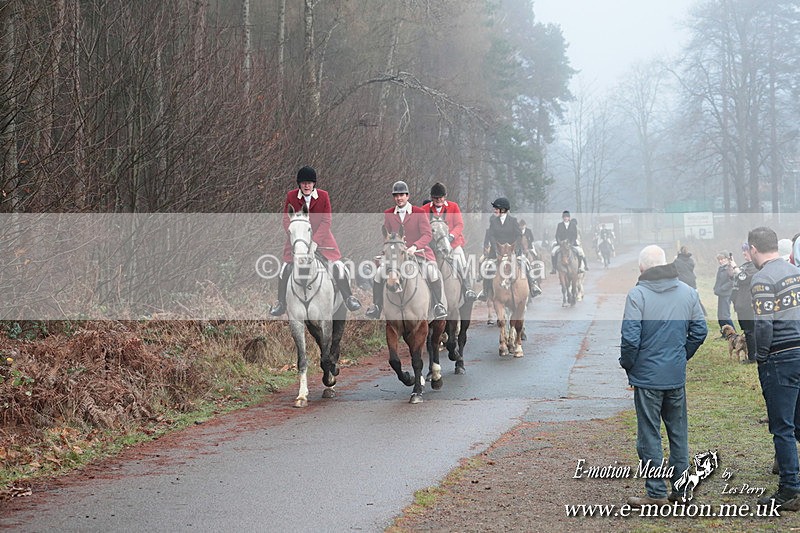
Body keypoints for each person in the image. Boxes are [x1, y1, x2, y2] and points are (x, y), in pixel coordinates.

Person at [620, 245, 708, 507]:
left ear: (641, 268)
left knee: (649, 434)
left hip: (647, 378)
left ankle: (656, 492)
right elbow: (700, 331)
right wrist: (681, 356)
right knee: (678, 434)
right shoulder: (689, 293)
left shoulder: (637, 295)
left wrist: (629, 365)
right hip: (675, 376)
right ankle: (681, 491)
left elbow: (630, 338)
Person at [748, 227, 800, 511]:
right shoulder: (795, 272)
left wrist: (762, 356)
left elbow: (764, 324)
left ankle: (790, 490)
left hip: (781, 357)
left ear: (754, 249)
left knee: (782, 427)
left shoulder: (762, 279)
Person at [270, 166, 361, 316]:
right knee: (284, 268)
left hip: (323, 241)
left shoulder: (324, 196)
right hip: (298, 241)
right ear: (299, 184)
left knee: (337, 266)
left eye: (310, 183)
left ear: (314, 184)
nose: (307, 185)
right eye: (304, 182)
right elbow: (286, 219)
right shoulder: (291, 196)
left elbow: (326, 220)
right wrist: (294, 235)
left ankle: (348, 297)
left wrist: (315, 242)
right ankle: (281, 303)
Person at [364, 180, 447, 320]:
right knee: (379, 273)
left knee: (432, 272)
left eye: (402, 195)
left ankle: (438, 305)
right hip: (396, 256)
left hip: (419, 253)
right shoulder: (389, 213)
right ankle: (377, 307)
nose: (399, 198)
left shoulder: (419, 212)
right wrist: (386, 252)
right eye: (396, 195)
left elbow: (427, 234)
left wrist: (415, 246)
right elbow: (387, 236)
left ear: (407, 196)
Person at [423, 182, 478, 302]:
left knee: (461, 261)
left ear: (445, 196)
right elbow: (422, 228)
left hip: (453, 244)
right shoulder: (425, 209)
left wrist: (450, 237)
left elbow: (459, 224)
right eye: (436, 198)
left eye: (441, 197)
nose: (438, 200)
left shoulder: (453, 207)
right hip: (432, 246)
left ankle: (468, 289)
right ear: (432, 198)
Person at [477, 197, 540, 301]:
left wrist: (515, 247)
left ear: (503, 209)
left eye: (496, 208)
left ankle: (533, 285)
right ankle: (485, 291)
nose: (494, 210)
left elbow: (519, 235)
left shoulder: (513, 221)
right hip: (497, 252)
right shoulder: (493, 221)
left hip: (512, 251)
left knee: (526, 263)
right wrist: (495, 247)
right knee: (487, 267)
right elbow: (491, 235)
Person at [731, 242, 757, 363]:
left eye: (745, 250)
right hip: (741, 304)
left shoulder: (754, 266)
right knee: (747, 330)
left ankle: (753, 357)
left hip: (748, 304)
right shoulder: (746, 265)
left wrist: (736, 268)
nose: (743, 253)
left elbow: (744, 277)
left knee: (750, 331)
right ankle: (751, 355)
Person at [673, 245, 706, 316]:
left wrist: (676, 258)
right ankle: (702, 312)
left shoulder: (677, 261)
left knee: (682, 299)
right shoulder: (691, 261)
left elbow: (674, 268)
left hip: (682, 281)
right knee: (696, 298)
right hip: (692, 281)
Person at [713, 251, 736, 335]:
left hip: (727, 294)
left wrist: (722, 288)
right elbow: (718, 280)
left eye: (722, 259)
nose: (720, 261)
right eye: (719, 259)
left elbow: (732, 282)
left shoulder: (729, 268)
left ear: (727, 259)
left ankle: (733, 333)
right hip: (721, 294)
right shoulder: (720, 268)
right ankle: (724, 333)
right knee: (720, 315)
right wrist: (716, 288)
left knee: (725, 315)